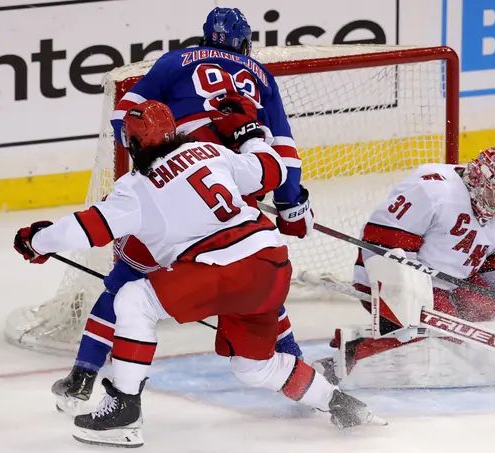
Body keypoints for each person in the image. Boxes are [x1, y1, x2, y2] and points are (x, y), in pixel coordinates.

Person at [14, 97, 382, 447]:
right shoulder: (211, 152)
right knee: (253, 368)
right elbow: (272, 170)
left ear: (132, 145)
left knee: (132, 299)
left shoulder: (136, 188)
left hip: (221, 270)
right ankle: (340, 403)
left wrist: (37, 240)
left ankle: (123, 411)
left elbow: (86, 228)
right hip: (272, 264)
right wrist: (250, 134)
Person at [50, 6, 309, 410]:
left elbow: (124, 118)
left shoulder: (174, 61)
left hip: (170, 186)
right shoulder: (261, 76)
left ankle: (83, 374)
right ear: (244, 43)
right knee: (255, 279)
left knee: (125, 281)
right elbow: (284, 155)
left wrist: (154, 154)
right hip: (234, 190)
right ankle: (297, 365)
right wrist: (291, 206)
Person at [314, 145, 495, 387]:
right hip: (391, 274)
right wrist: (409, 291)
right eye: (494, 193)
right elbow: (381, 240)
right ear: (477, 180)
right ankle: (352, 352)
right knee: (449, 330)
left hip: (451, 282)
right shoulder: (432, 191)